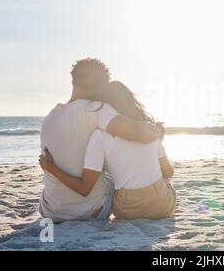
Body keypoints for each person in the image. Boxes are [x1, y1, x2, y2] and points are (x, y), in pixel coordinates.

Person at [39, 58, 163, 222]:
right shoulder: (95, 109)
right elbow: (140, 134)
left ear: (73, 80)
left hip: (50, 210)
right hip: (91, 211)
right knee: (116, 175)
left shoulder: (50, 117)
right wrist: (158, 129)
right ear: (103, 85)